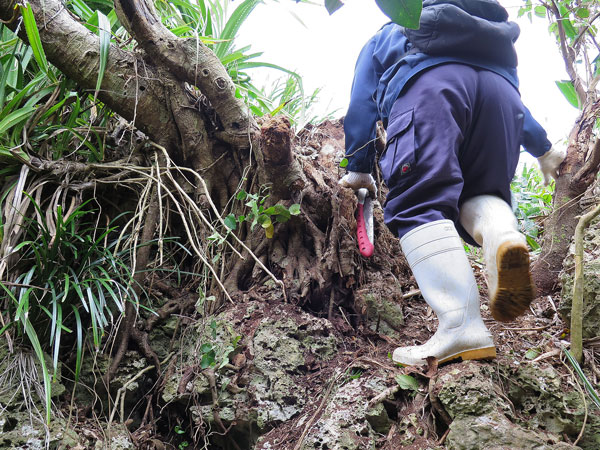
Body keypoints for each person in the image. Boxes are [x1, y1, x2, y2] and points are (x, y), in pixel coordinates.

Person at [339, 0, 566, 366]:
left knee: (419, 202)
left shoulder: (391, 30)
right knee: (480, 194)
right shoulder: (489, 33)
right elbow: (513, 102)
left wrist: (359, 166)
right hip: (502, 102)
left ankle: (461, 326)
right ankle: (503, 236)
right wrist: (543, 149)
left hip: (431, 92)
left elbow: (363, 102)